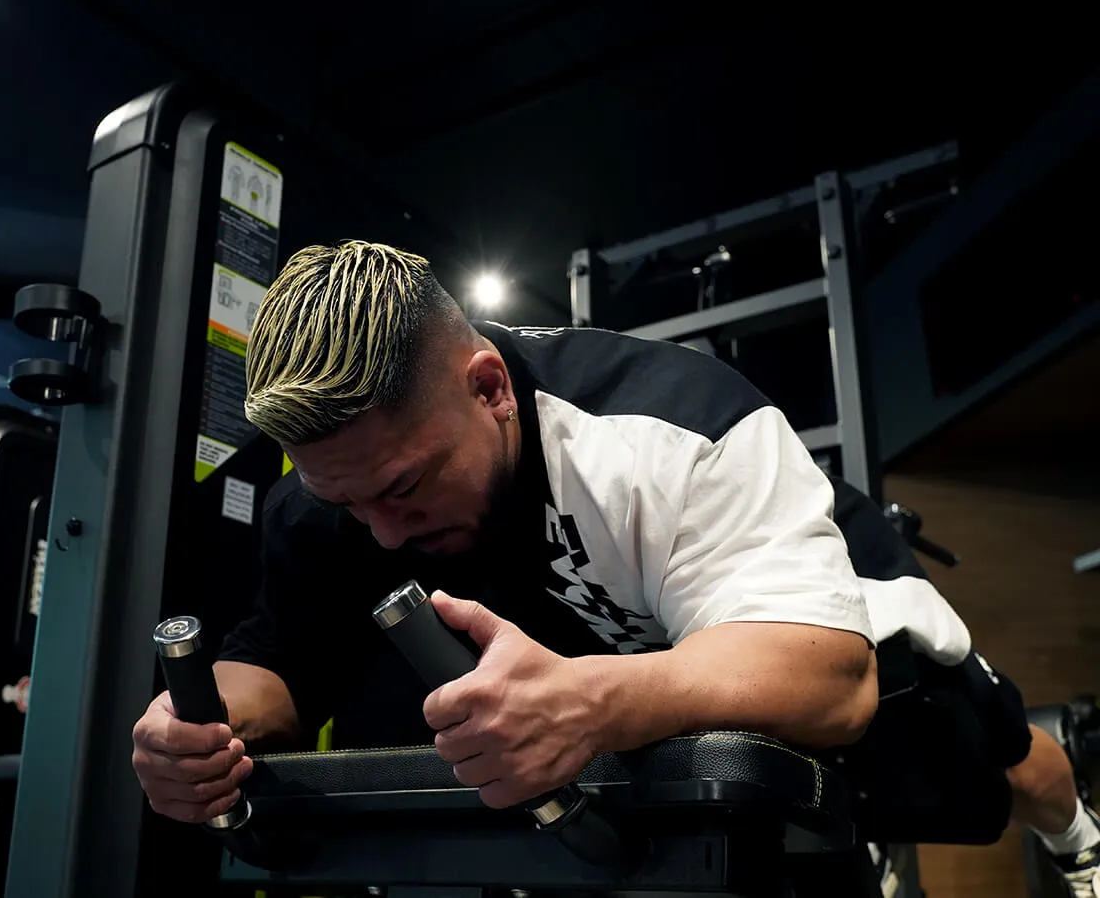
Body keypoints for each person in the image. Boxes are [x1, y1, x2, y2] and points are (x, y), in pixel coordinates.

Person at [132, 241, 1100, 896]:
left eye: (405, 487)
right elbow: (281, 661)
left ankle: (1082, 840)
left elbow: (832, 682)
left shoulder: (668, 433)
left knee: (991, 766)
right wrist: (198, 731)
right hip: (639, 678)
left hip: (828, 625)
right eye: (349, 504)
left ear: (488, 388)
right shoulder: (329, 501)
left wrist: (592, 701)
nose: (381, 535)